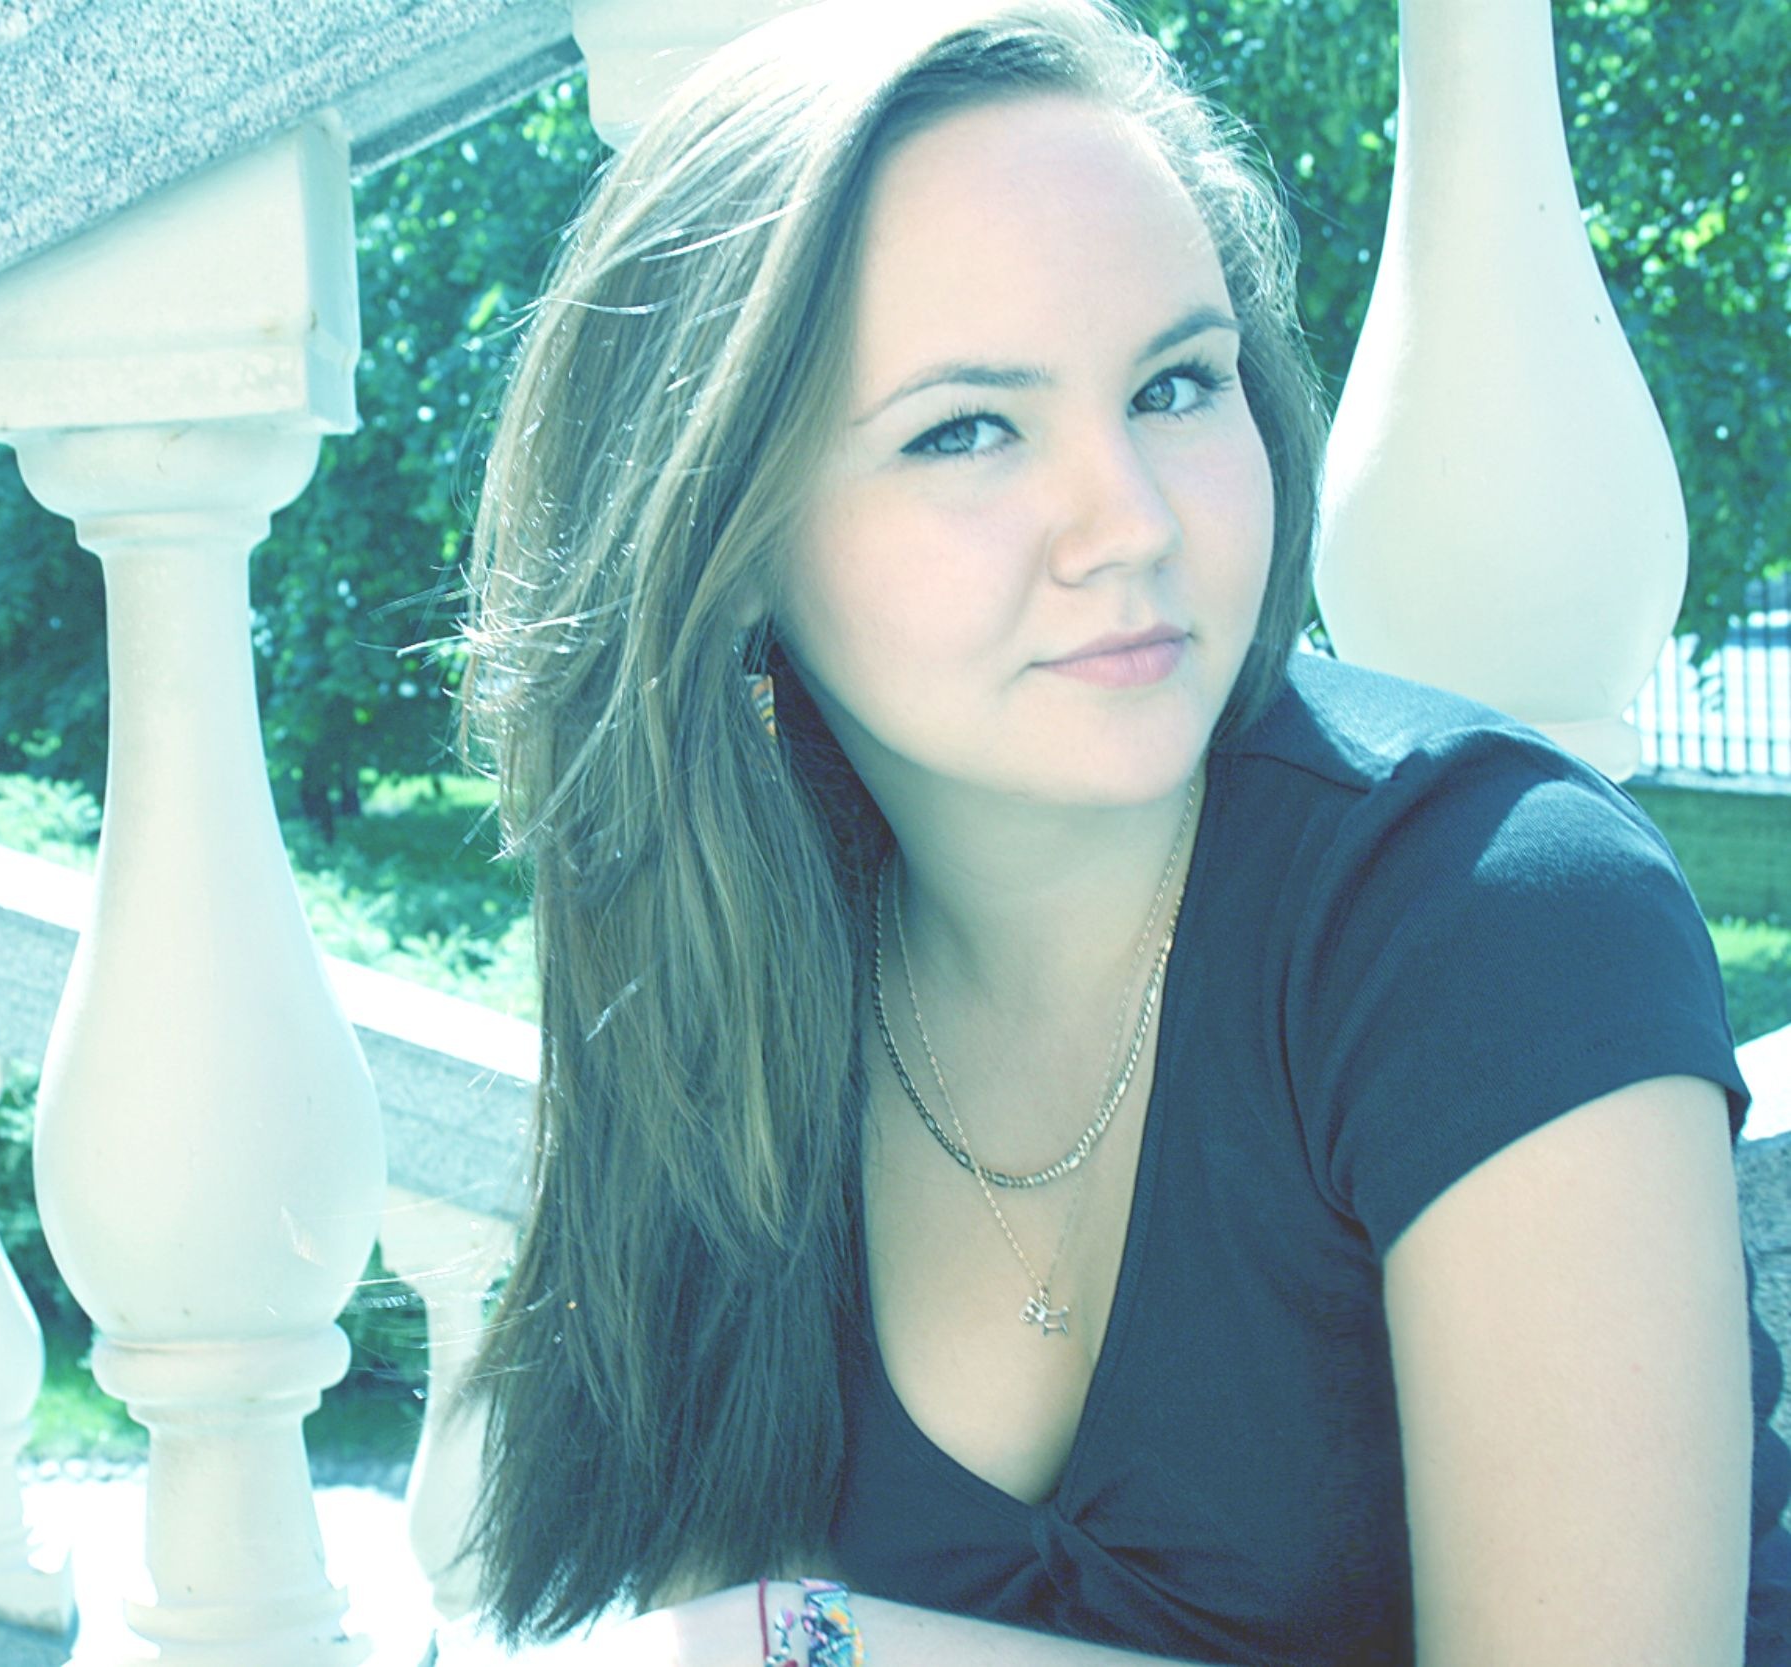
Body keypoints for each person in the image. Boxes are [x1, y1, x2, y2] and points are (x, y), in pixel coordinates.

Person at [447, 1, 1791, 1663]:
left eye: (1175, 385)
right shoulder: (735, 961)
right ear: (720, 534)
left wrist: (803, 1642)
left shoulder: (1490, 915)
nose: (1132, 523)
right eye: (965, 428)